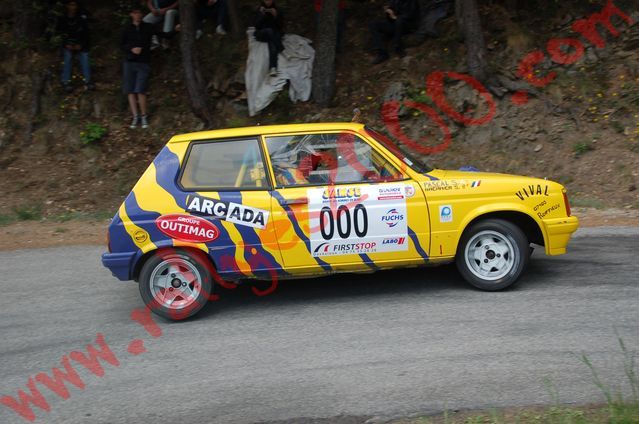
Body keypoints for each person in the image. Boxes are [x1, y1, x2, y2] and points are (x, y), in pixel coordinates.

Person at [121, 7, 154, 129]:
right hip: (129, 61)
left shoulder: (148, 27)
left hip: (143, 61)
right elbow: (121, 44)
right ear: (131, 14)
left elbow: (161, 34)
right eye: (135, 12)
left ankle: (144, 115)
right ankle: (135, 116)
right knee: (130, 90)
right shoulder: (127, 29)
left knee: (141, 89)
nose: (138, 15)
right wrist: (131, 49)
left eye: (139, 12)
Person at [57, 0, 93, 92]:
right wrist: (67, 44)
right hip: (68, 45)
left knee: (85, 56)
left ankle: (88, 82)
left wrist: (80, 45)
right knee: (68, 57)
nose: (73, 7)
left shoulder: (81, 18)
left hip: (80, 45)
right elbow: (61, 33)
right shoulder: (63, 18)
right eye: (71, 5)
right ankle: (65, 82)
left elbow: (86, 34)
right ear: (67, 6)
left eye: (74, 5)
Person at [369, 0, 419, 64]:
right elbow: (390, 18)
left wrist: (396, 17)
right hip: (395, 24)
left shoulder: (412, 1)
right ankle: (382, 53)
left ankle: (399, 48)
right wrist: (388, 11)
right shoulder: (394, 1)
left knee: (399, 21)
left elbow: (410, 15)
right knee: (373, 24)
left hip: (408, 25)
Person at [253, 0, 284, 77]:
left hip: (273, 34)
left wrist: (276, 16)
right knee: (269, 31)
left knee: (272, 45)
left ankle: (273, 68)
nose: (268, 2)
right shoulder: (259, 9)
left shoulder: (277, 9)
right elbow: (256, 26)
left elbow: (281, 26)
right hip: (262, 33)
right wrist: (262, 15)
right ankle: (280, 46)